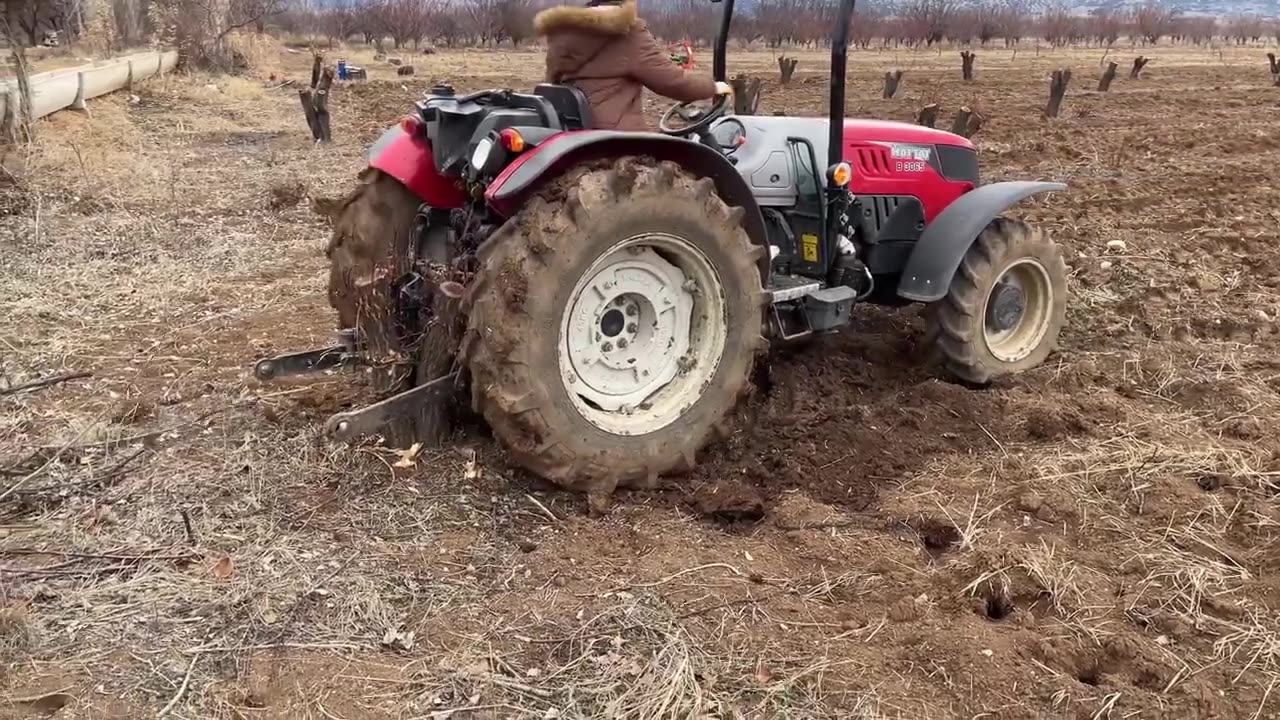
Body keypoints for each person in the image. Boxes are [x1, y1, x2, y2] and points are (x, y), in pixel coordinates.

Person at [534, 0, 732, 132]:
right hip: (619, 137)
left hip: (577, 135)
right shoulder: (626, 31)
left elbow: (552, 80)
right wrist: (712, 87)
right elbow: (670, 81)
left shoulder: (564, 34)